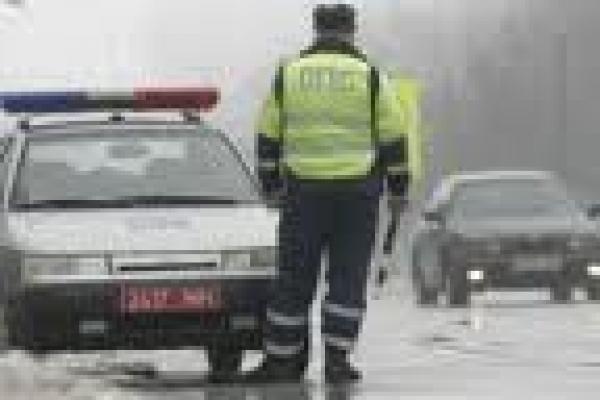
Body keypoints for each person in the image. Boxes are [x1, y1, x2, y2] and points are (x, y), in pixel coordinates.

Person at [248, 3, 410, 383]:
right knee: (347, 278)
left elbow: (267, 135)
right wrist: (398, 189)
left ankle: (282, 360)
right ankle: (337, 360)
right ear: (351, 31)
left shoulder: (289, 74)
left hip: (302, 193)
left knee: (293, 277)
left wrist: (270, 186)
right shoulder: (370, 76)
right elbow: (393, 137)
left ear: (316, 30)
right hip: (357, 194)